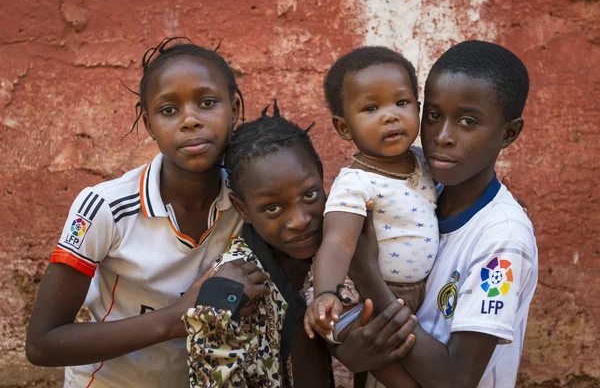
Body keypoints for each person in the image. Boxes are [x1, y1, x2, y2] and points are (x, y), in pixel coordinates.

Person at [25, 37, 259, 387]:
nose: (190, 120)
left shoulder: (249, 203)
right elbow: (42, 344)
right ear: (149, 125)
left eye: (207, 102)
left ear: (235, 109)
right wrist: (176, 318)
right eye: (169, 110)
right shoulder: (105, 207)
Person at [183, 103, 419, 387]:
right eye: (272, 208)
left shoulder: (349, 244)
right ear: (242, 209)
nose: (299, 221)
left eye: (309, 194)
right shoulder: (234, 284)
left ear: (322, 179)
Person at [349, 40, 538, 388]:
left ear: (508, 133)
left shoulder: (503, 240)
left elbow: (456, 379)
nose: (442, 136)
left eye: (468, 121)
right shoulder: (412, 192)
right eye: (434, 116)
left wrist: (364, 272)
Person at [304, 47, 439, 342]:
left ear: (417, 108)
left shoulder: (425, 163)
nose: (390, 116)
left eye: (401, 102)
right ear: (343, 127)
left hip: (420, 295)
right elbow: (338, 242)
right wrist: (328, 293)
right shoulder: (356, 183)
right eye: (370, 109)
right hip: (365, 296)